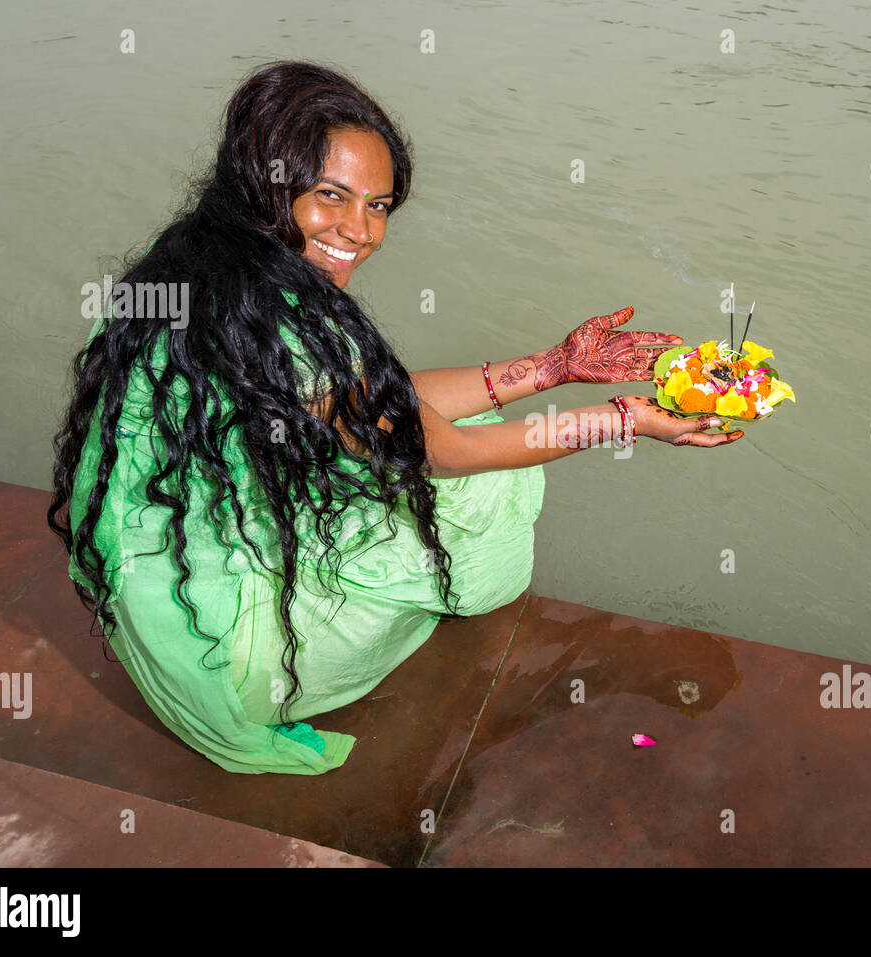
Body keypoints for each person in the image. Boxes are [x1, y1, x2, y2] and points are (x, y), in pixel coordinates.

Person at [47, 60, 745, 775]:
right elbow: (439, 449)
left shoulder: (198, 266)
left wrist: (555, 366)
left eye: (377, 205)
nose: (360, 230)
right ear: (268, 181)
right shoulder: (270, 315)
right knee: (492, 484)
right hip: (234, 661)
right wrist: (624, 417)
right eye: (331, 197)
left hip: (169, 620)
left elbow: (372, 401)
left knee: (412, 456)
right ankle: (412, 622)